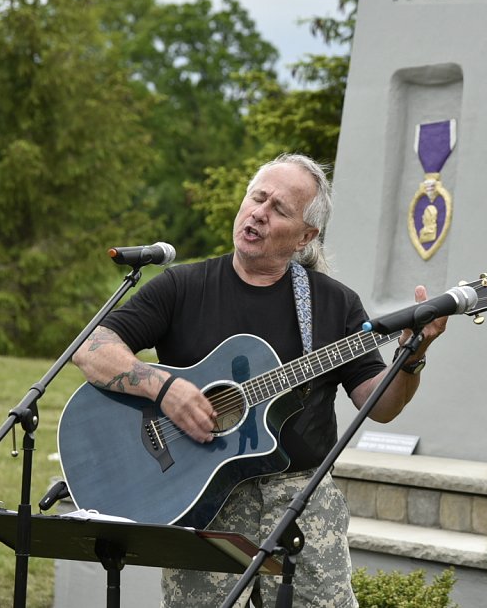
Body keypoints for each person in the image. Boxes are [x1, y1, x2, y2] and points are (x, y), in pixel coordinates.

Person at [72, 153, 448, 608]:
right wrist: (165, 388)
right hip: (203, 498)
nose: (258, 213)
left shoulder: (334, 304)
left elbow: (381, 405)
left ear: (306, 236)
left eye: (279, 209)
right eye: (257, 197)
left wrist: (413, 354)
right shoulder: (182, 287)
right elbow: (92, 348)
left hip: (301, 499)